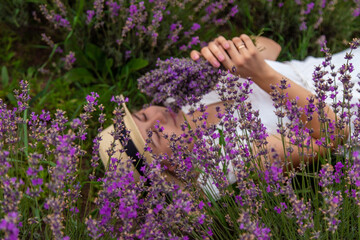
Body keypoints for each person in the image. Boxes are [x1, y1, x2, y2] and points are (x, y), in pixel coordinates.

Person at [99, 34, 357, 194]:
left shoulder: (185, 92)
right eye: (154, 136)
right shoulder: (229, 158)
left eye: (143, 116)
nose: (158, 118)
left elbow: (271, 47)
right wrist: (263, 76)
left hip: (341, 64)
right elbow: (334, 136)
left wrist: (233, 50)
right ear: (167, 168)